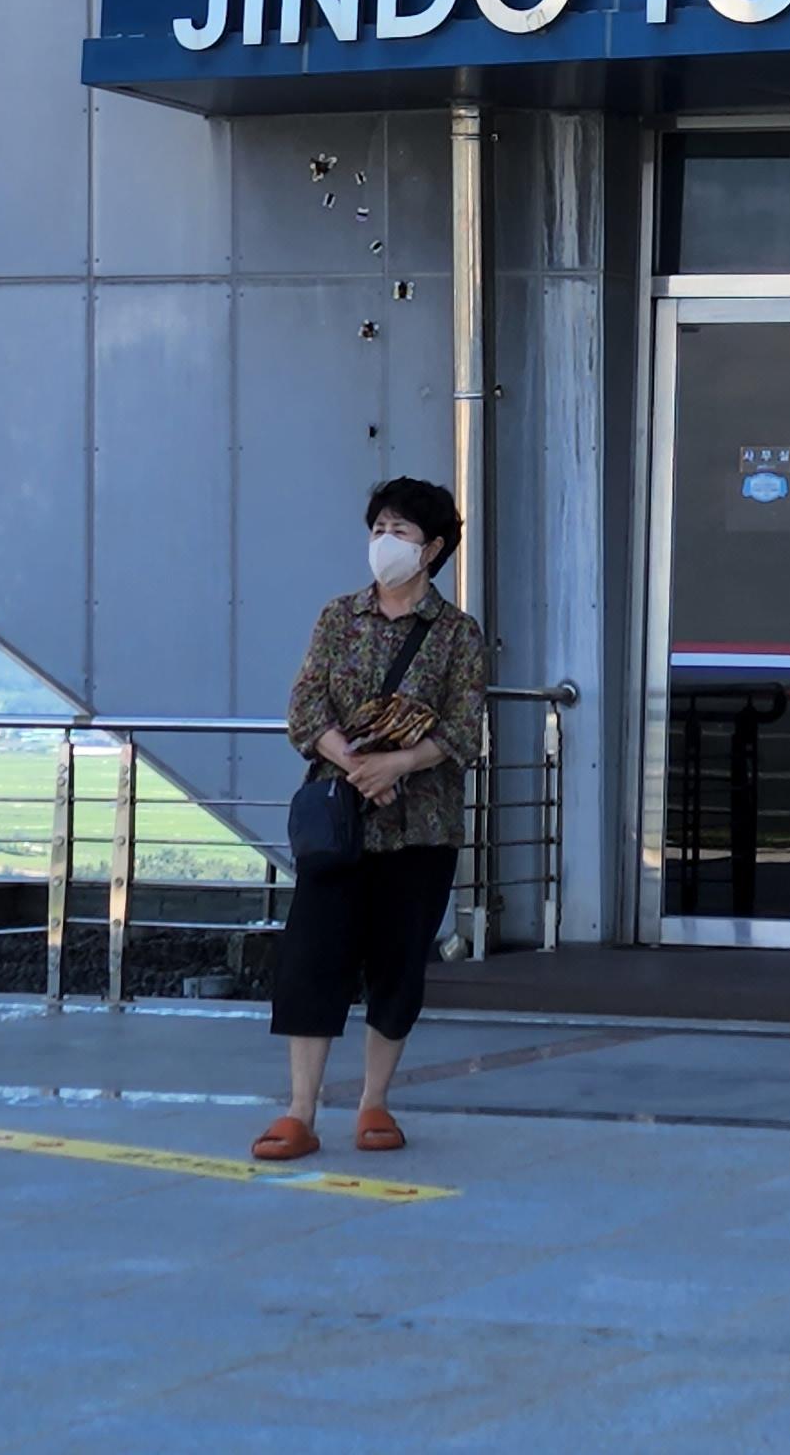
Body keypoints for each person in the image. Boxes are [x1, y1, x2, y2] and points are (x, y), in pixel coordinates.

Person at [253, 476, 486, 1162]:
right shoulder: (338, 618)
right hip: (340, 822)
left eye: (401, 531)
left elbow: (464, 728)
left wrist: (402, 763)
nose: (385, 541)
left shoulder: (457, 634)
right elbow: (305, 708)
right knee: (312, 958)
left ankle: (374, 1103)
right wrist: (359, 765)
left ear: (433, 548)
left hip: (421, 828)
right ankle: (300, 1111)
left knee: (398, 964)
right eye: (379, 528)